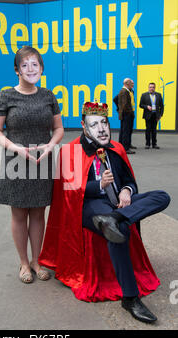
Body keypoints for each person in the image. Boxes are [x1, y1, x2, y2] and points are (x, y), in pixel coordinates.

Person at [39, 102, 170, 323]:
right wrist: (99, 185)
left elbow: (129, 181)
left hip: (117, 207)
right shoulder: (70, 151)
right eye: (94, 124)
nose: (101, 129)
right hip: (91, 206)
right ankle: (130, 298)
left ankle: (116, 218)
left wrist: (127, 192)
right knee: (117, 232)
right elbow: (68, 190)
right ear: (84, 126)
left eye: (104, 123)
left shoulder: (117, 149)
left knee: (161, 196)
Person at [0, 46, 64, 284]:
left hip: (42, 161)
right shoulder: (6, 96)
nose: (30, 69)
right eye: (25, 65)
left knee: (39, 213)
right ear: (17, 70)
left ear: (41, 69)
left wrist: (52, 144)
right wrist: (16, 148)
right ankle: (24, 263)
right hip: (16, 161)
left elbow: (59, 128)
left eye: (35, 65)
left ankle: (37, 260)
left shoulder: (48, 96)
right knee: (19, 213)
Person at [139, 82, 164, 149]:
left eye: (153, 87)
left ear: (155, 88)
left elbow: (162, 106)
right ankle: (147, 144)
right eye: (150, 87)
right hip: (148, 115)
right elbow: (140, 105)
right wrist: (147, 106)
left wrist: (160, 115)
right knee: (148, 129)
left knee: (154, 130)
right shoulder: (144, 95)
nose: (151, 88)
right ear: (148, 88)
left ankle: (154, 144)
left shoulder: (159, 95)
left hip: (156, 115)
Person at [118, 78, 136, 154]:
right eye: (130, 83)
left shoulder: (124, 91)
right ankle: (125, 148)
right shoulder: (125, 91)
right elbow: (125, 104)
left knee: (124, 130)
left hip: (124, 114)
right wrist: (130, 112)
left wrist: (120, 109)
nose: (132, 85)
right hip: (127, 114)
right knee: (126, 131)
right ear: (126, 83)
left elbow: (117, 100)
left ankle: (122, 146)